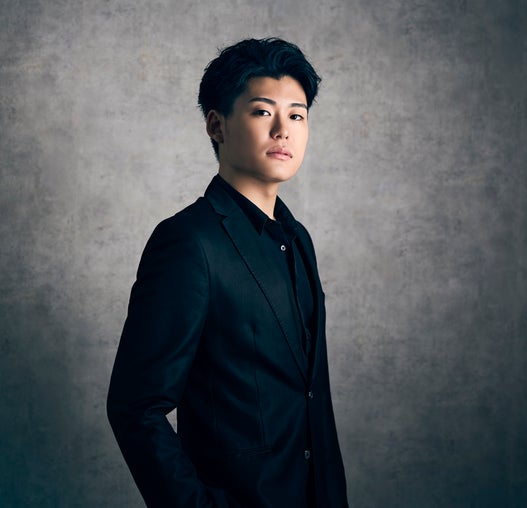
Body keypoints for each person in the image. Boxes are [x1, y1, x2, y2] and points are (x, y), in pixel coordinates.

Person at [107, 37, 348, 508]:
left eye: (297, 116)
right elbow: (136, 407)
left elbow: (309, 399)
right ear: (216, 125)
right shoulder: (188, 242)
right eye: (262, 112)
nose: (283, 131)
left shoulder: (299, 239)